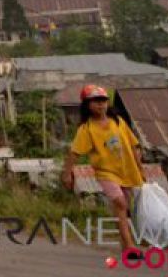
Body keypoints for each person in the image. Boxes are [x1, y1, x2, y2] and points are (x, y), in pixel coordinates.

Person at [61, 83, 145, 264]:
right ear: (87, 105)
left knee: (123, 209)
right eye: (95, 101)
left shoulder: (119, 122)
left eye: (103, 101)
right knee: (120, 202)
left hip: (126, 170)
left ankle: (125, 247)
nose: (100, 105)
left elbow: (133, 146)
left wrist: (140, 168)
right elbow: (74, 152)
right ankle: (131, 247)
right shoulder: (86, 129)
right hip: (105, 173)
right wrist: (67, 174)